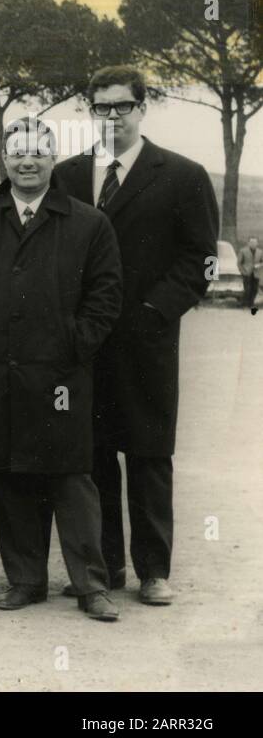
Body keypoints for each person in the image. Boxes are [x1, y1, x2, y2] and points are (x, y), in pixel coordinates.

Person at [53, 66, 219, 606]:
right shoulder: (68, 175)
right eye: (101, 108)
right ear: (90, 111)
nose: (112, 118)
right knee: (94, 455)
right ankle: (106, 567)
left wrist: (153, 312)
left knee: (149, 454)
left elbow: (201, 260)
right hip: (86, 345)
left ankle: (154, 571)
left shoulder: (183, 175)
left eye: (122, 106)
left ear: (144, 107)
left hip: (148, 341)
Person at [0, 116, 123, 620]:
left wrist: (75, 342)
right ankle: (25, 580)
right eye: (17, 151)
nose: (27, 160)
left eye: (38, 152)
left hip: (64, 377)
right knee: (9, 475)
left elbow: (107, 294)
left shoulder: (89, 223)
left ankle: (92, 585)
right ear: (4, 159)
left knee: (71, 480)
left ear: (53, 159)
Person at [239, 237, 260, 311]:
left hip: (256, 273)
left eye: (255, 242)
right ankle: (244, 304)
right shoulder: (243, 251)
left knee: (255, 289)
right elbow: (239, 263)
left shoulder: (260, 252)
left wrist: (259, 265)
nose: (253, 244)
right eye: (251, 242)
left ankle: (251, 303)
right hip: (246, 272)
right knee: (247, 289)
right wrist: (242, 271)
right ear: (248, 243)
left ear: (257, 243)